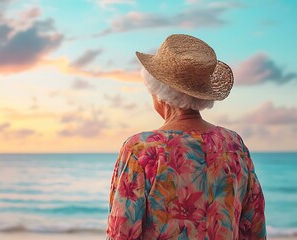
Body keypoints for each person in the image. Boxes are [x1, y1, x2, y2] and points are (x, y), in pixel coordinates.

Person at [106, 34, 266, 240]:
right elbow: (254, 225)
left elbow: (122, 232)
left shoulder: (142, 149)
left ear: (159, 93)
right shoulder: (234, 145)